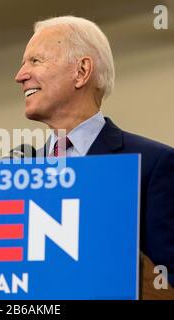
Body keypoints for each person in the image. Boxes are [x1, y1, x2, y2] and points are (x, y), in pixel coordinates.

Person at [15, 16, 174, 287]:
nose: (20, 76)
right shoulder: (16, 173)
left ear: (81, 71)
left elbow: (167, 280)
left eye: (35, 61)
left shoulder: (152, 165)